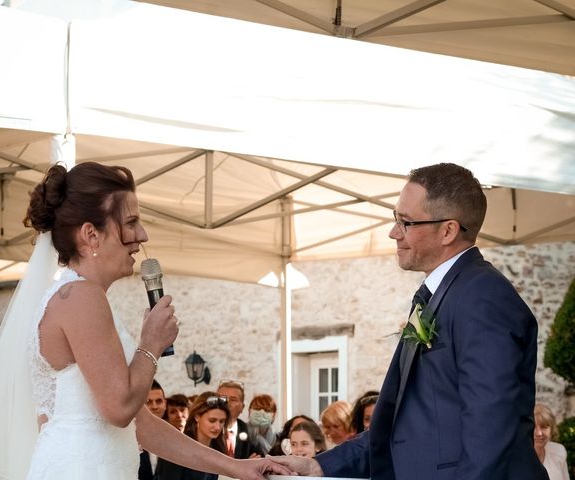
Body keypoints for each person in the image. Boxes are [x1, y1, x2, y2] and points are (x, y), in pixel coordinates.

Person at [0, 162, 290, 480]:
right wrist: (151, 346)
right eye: (130, 223)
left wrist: (236, 467)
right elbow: (120, 407)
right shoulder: (81, 297)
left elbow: (139, 424)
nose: (142, 235)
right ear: (91, 235)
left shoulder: (79, 296)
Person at [272, 163, 549, 479]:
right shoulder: (439, 296)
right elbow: (403, 427)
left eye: (406, 222)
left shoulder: (483, 297)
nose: (394, 232)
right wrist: (320, 464)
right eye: (395, 219)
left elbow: (490, 428)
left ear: (448, 230)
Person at [157, 392, 231, 480]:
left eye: (221, 421)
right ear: (197, 417)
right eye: (212, 420)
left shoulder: (219, 450)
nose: (217, 427)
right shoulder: (177, 450)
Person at [138, 380, 168, 480]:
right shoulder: (131, 437)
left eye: (159, 401)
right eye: (148, 402)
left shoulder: (173, 436)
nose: (154, 406)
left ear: (165, 403)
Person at [534, 404, 570, 480]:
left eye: (544, 427)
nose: (539, 433)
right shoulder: (516, 456)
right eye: (534, 427)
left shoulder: (559, 451)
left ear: (552, 429)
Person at [217, 380, 252, 458]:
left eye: (233, 400)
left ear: (242, 407)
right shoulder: (207, 430)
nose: (227, 403)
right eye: (223, 398)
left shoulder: (250, 433)